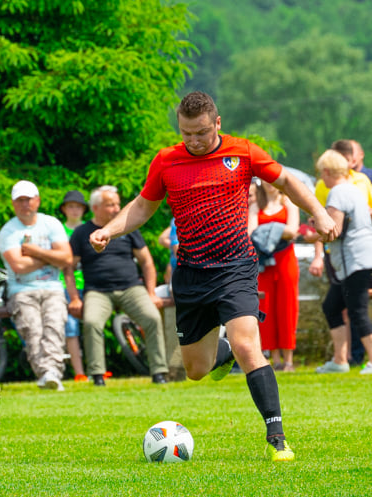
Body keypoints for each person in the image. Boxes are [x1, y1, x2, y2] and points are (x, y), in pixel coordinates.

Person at [89, 91, 337, 462]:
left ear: (217, 123)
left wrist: (318, 212)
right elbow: (142, 206)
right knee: (195, 370)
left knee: (248, 345)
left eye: (201, 133)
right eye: (186, 133)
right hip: (190, 274)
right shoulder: (166, 161)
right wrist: (109, 230)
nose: (194, 141)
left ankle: (278, 438)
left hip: (236, 266)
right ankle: (222, 354)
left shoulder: (243, 152)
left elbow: (286, 182)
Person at [68, 185, 169, 386]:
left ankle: (159, 372)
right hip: (97, 291)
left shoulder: (128, 229)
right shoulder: (81, 233)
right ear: (96, 207)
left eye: (117, 204)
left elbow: (147, 261)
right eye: (110, 205)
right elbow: (69, 269)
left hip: (131, 288)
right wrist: (75, 298)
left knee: (151, 317)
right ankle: (97, 375)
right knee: (92, 322)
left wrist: (151, 292)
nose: (116, 209)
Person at [0, 180, 73, 391]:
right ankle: (47, 373)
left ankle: (51, 374)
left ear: (37, 200)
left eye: (28, 199)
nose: (25, 204)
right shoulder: (8, 231)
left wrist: (35, 252)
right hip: (21, 290)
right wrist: (51, 257)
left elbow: (66, 258)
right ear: (13, 203)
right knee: (33, 331)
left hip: (52, 287)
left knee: (55, 326)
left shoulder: (51, 224)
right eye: (20, 200)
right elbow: (19, 266)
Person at [309, 140, 372, 366]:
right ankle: (339, 361)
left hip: (354, 261)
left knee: (357, 311)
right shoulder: (355, 189)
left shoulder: (337, 193)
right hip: (359, 259)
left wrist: (311, 234)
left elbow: (332, 231)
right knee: (332, 307)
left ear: (327, 171)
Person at [248, 178, 300, 372]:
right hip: (263, 264)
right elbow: (250, 233)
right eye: (267, 181)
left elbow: (293, 231)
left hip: (286, 260)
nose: (271, 184)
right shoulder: (256, 206)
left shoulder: (289, 203)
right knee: (266, 308)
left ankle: (288, 360)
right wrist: (279, 229)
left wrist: (267, 229)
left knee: (287, 307)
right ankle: (274, 358)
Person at [58, 190, 88, 382]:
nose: (75, 210)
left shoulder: (89, 229)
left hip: (90, 282)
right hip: (65, 285)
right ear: (64, 209)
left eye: (78, 206)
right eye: (71, 206)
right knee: (71, 329)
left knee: (92, 326)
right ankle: (79, 372)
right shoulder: (59, 230)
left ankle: (96, 369)